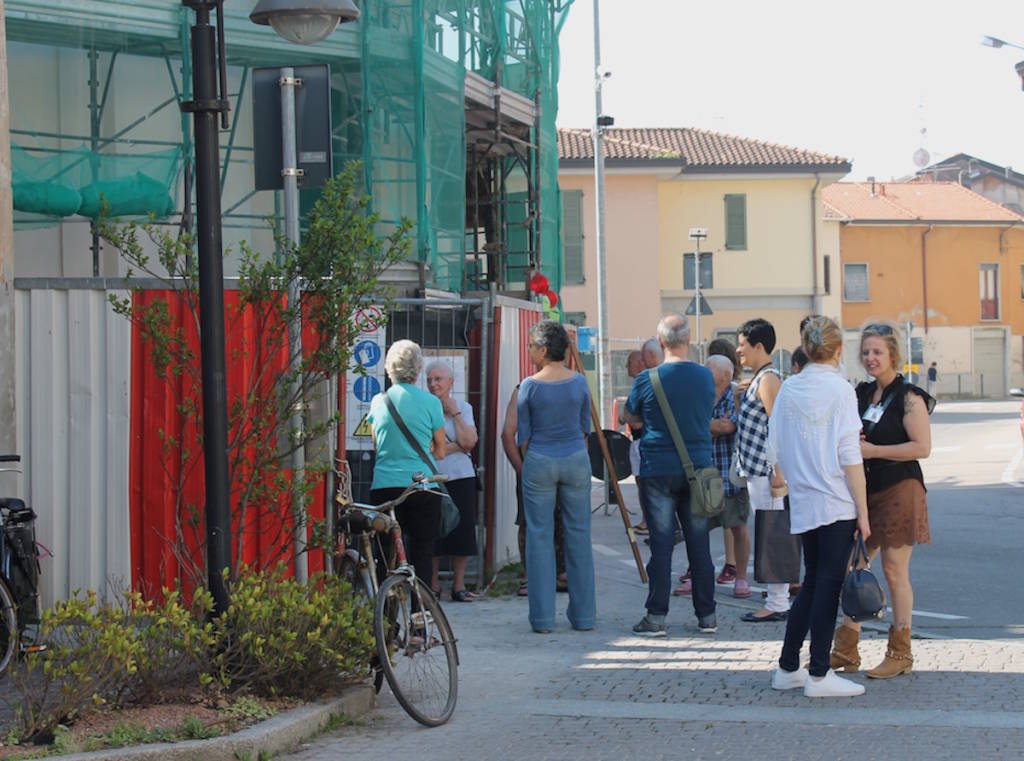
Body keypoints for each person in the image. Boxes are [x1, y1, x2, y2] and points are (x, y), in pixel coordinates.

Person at [768, 316, 872, 698]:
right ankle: (819, 673)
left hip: (804, 500)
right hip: (836, 501)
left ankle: (788, 666)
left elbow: (773, 445)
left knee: (813, 583)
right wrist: (863, 510)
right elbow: (849, 455)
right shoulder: (841, 390)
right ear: (839, 349)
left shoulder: (790, 387)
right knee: (826, 587)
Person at [830, 321, 934, 679]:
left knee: (893, 570)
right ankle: (846, 649)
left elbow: (922, 447)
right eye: (866, 353)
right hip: (866, 492)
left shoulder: (909, 396)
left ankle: (900, 652)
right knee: (852, 568)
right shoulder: (861, 394)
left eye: (878, 352)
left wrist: (873, 449)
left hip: (901, 489)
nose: (871, 358)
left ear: (893, 355)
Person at [625, 313, 717, 636]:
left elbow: (630, 416)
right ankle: (707, 616)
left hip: (658, 469)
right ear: (689, 341)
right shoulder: (706, 377)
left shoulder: (646, 380)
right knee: (699, 543)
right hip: (699, 469)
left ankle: (656, 617)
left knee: (662, 545)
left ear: (660, 342)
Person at [517, 320, 595, 633]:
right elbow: (584, 428)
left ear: (544, 349)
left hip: (540, 459)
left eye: (531, 346)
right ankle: (584, 616)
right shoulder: (578, 383)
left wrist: (533, 460)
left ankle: (542, 619)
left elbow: (524, 435)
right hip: (576, 457)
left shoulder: (530, 385)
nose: (529, 350)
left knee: (539, 535)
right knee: (579, 534)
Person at [367, 340, 446, 587]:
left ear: (389, 369)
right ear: (419, 368)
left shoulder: (378, 402)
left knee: (385, 555)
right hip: (421, 486)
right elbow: (441, 450)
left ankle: (386, 619)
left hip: (385, 487)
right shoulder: (432, 403)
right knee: (422, 551)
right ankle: (420, 620)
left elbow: (377, 445)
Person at [735, 317, 790, 623]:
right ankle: (776, 598)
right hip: (757, 470)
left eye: (743, 345)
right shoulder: (761, 378)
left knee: (773, 534)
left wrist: (778, 470)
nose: (738, 351)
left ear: (759, 346)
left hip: (766, 472)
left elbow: (777, 426)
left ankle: (778, 601)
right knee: (769, 532)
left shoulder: (769, 379)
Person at [502, 384, 566, 598]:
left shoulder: (569, 384)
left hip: (555, 464)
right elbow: (507, 434)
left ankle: (557, 573)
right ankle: (535, 575)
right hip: (538, 464)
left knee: (557, 518)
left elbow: (507, 433)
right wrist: (521, 469)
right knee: (534, 521)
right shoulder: (523, 389)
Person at [426, 361, 479, 602]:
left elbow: (470, 442)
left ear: (451, 382)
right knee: (433, 528)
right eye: (429, 380)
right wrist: (456, 447)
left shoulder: (464, 408)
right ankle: (434, 584)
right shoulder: (425, 408)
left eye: (438, 379)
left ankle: (459, 585)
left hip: (461, 476)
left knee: (464, 528)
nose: (433, 384)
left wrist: (454, 412)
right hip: (433, 475)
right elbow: (428, 448)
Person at [704, 354, 751, 599]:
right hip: (704, 475)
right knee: (698, 527)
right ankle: (697, 573)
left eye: (709, 368)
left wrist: (704, 424)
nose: (705, 371)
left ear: (726, 374)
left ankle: (741, 577)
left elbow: (728, 427)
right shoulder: (700, 393)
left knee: (738, 527)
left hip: (730, 473)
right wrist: (712, 424)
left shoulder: (736, 395)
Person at [618, 350, 649, 535]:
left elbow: (635, 419)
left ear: (639, 363)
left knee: (645, 483)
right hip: (638, 439)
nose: (625, 367)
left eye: (629, 362)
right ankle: (647, 520)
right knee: (641, 483)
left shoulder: (644, 385)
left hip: (642, 439)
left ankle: (649, 522)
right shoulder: (640, 385)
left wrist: (626, 416)